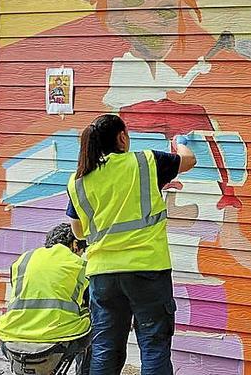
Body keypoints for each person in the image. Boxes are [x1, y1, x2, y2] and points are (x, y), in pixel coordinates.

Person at [65, 114, 196, 375]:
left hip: (102, 276)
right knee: (153, 345)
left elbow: (77, 230)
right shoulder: (145, 162)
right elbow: (189, 160)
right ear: (122, 137)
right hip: (147, 270)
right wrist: (180, 141)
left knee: (105, 348)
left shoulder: (79, 180)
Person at [0, 223, 91, 375]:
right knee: (98, 321)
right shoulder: (79, 264)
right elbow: (90, 300)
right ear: (75, 244)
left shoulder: (23, 260)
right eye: (82, 250)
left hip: (9, 339)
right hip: (55, 343)